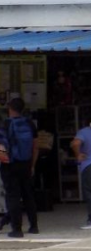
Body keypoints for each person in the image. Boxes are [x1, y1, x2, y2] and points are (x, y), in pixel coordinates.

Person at [3, 99, 38, 238]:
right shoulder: (29, 123)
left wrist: (4, 161)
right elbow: (35, 146)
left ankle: (17, 229)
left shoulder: (5, 123)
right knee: (28, 195)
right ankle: (34, 226)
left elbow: (1, 146)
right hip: (26, 163)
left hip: (9, 164)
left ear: (10, 108)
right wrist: (32, 164)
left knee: (13, 197)